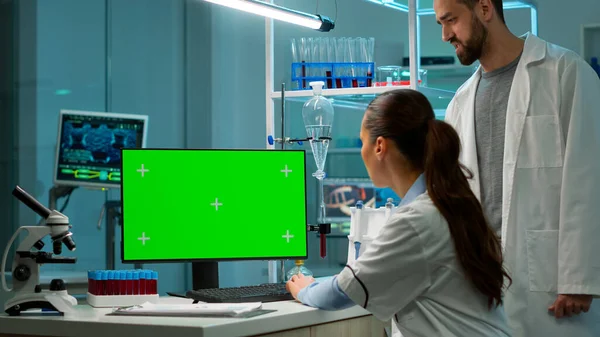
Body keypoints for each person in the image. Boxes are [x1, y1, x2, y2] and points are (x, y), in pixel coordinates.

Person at [432, 0, 600, 336]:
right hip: (483, 287)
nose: (445, 35)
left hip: (552, 287)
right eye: (440, 23)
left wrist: (579, 277)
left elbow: (588, 176)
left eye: (450, 20)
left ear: (484, 8)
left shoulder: (564, 71)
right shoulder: (460, 102)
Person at [286, 89, 513, 337]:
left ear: (380, 146)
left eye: (363, 142)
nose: (362, 150)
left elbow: (342, 292)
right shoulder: (446, 204)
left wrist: (305, 289)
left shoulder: (417, 220)